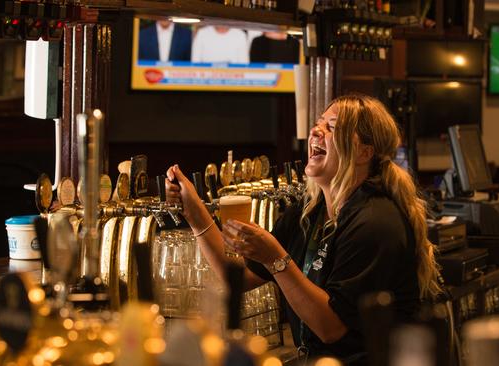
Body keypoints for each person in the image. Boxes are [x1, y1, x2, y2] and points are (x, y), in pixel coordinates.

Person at [165, 94, 442, 365]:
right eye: (318, 124)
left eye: (331, 128)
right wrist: (194, 213)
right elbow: (238, 277)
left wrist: (275, 260)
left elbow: (331, 328)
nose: (315, 131)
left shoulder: (375, 222)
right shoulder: (310, 211)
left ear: (363, 152)